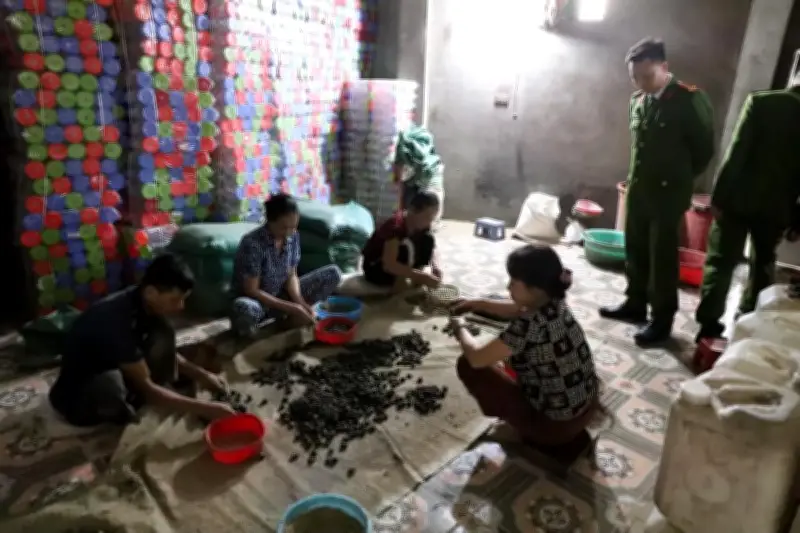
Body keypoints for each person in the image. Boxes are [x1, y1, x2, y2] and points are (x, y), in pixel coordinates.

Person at [600, 37, 715, 346]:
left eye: (647, 76)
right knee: (636, 250)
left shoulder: (689, 99)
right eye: (635, 77)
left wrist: (677, 179)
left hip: (668, 194)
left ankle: (661, 320)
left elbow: (704, 151)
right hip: (639, 190)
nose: (641, 83)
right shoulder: (638, 101)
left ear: (664, 67)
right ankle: (635, 303)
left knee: (661, 259)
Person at [49, 254, 236, 427]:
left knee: (163, 333)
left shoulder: (142, 300)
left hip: (114, 359)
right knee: (111, 390)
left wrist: (202, 375)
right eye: (174, 300)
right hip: (77, 393)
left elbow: (167, 351)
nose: (181, 307)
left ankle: (149, 385)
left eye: (183, 299)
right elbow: (149, 391)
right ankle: (116, 407)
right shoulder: (116, 322)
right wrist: (206, 409)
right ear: (151, 292)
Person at [449, 244, 599, 448]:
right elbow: (518, 308)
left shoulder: (528, 325)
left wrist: (460, 327)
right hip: (585, 410)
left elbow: (476, 357)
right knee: (512, 359)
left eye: (513, 282)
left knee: (468, 364)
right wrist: (478, 303)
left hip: (553, 429)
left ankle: (524, 427)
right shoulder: (555, 301)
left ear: (535, 288)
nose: (508, 287)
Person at [694, 76, 800, 341]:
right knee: (763, 263)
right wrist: (797, 220)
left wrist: (719, 197)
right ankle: (749, 321)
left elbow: (737, 153)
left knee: (721, 261)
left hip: (737, 201)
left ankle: (709, 324)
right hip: (778, 208)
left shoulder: (761, 103)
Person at [231, 193, 342, 338]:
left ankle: (287, 322)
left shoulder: (293, 237)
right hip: (258, 304)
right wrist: (292, 308)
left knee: (333, 273)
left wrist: (300, 303)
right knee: (242, 307)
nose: (289, 232)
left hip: (282, 296)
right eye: (284, 228)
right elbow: (252, 290)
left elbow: (291, 275)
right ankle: (266, 328)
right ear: (270, 221)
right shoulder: (252, 244)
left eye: (293, 227)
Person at [361, 190, 443, 291]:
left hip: (398, 264)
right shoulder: (395, 227)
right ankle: (399, 288)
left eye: (432, 218)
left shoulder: (422, 226)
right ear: (412, 210)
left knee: (428, 239)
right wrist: (420, 276)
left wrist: (436, 266)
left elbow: (434, 248)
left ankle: (413, 280)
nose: (430, 222)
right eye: (427, 217)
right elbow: (389, 265)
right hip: (376, 267)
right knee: (405, 248)